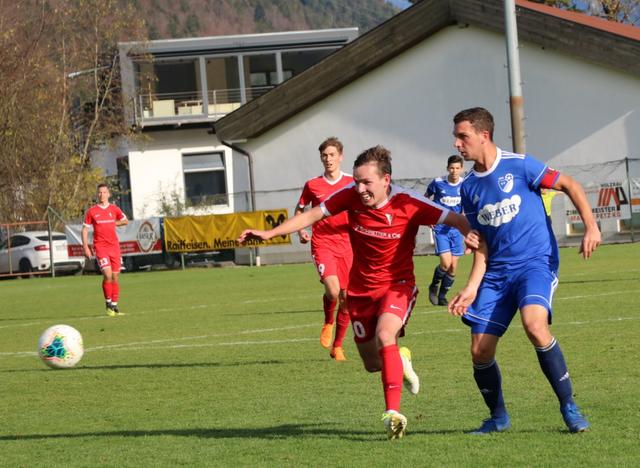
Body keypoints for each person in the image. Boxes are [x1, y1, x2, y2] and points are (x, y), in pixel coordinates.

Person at [238, 145, 477, 439]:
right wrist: (269, 234)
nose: (360, 188)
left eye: (367, 183)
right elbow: (312, 215)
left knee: (385, 335)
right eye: (358, 182)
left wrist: (471, 235)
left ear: (386, 180)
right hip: (361, 290)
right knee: (371, 364)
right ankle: (400, 359)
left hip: (397, 285)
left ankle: (393, 413)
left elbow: (456, 219)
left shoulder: (409, 203)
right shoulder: (350, 196)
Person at [447, 107, 601, 434]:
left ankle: (569, 406)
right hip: (497, 274)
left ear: (483, 135)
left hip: (535, 263)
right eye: (456, 137)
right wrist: (472, 287)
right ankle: (498, 417)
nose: (457, 144)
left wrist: (591, 226)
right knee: (480, 350)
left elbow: (570, 184)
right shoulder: (469, 187)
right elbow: (483, 245)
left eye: (463, 136)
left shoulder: (520, 165)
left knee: (535, 325)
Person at [295, 137, 353, 361]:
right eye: (324, 155)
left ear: (341, 156)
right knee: (333, 290)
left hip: (348, 243)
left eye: (332, 155)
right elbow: (299, 210)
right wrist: (300, 230)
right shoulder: (312, 185)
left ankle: (337, 346)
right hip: (323, 241)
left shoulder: (352, 182)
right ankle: (328, 321)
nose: (328, 159)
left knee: (348, 298)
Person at [82, 183, 129, 317]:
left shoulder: (114, 209)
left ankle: (114, 306)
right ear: (97, 194)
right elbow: (85, 229)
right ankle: (108, 304)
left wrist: (114, 223)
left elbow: (125, 221)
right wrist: (85, 246)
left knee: (115, 276)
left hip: (114, 246)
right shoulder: (92, 211)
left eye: (104, 192)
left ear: (108, 194)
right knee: (107, 275)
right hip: (100, 247)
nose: (101, 195)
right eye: (99, 193)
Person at [425, 154, 465, 306]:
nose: (454, 171)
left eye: (457, 168)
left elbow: (468, 205)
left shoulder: (465, 184)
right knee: (445, 264)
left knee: (454, 267)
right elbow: (425, 198)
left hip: (456, 230)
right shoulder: (438, 182)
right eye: (452, 168)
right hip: (441, 227)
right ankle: (434, 285)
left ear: (461, 169)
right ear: (447, 168)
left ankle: (442, 296)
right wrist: (428, 217)